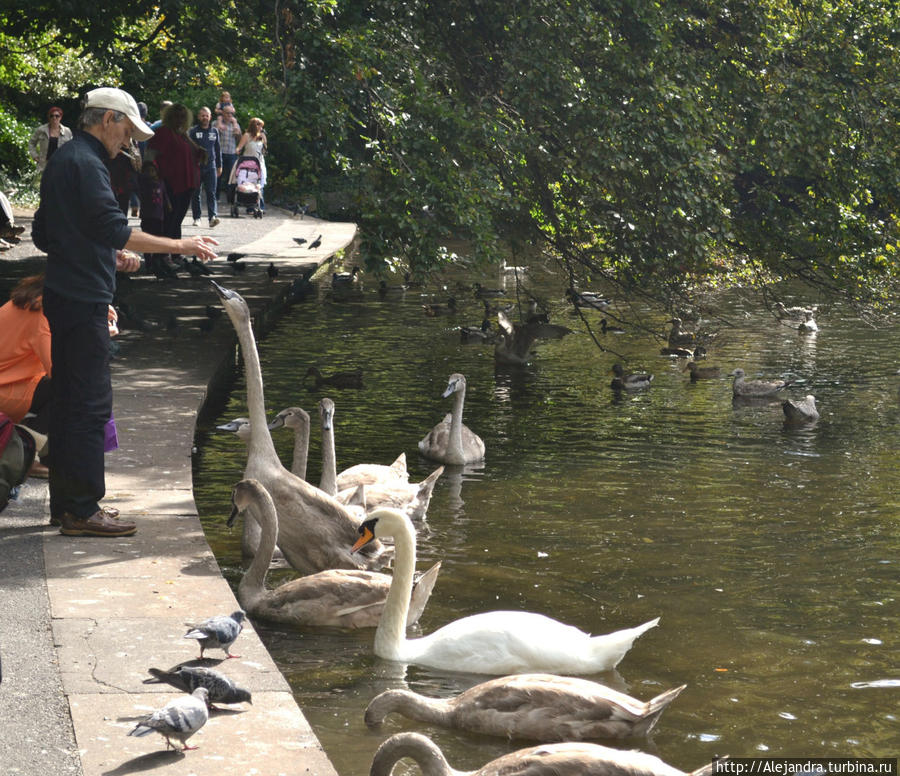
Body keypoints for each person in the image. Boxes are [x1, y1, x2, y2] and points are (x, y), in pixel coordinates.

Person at [31, 86, 218, 537]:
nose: (129, 141)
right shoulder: (88, 163)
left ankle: (68, 506)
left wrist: (100, 254)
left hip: (67, 292)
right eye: (127, 130)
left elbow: (45, 232)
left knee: (70, 401)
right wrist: (181, 244)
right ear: (108, 120)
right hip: (81, 300)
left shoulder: (66, 160)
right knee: (90, 405)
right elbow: (113, 227)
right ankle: (82, 510)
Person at [0, 275, 52, 443]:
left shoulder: (31, 299)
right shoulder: (42, 312)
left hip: (11, 381)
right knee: (75, 390)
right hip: (5, 388)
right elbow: (59, 370)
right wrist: (95, 336)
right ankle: (25, 450)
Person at [145, 103, 199, 263]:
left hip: (186, 184)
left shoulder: (183, 135)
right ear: (169, 116)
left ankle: (175, 252)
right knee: (169, 220)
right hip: (169, 184)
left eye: (183, 116)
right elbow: (150, 156)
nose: (179, 119)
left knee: (176, 220)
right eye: (176, 116)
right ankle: (163, 254)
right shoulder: (162, 133)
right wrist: (152, 177)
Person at [137, 160, 172, 277]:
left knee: (158, 239)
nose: (150, 173)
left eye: (152, 170)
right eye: (147, 171)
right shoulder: (144, 183)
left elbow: (165, 195)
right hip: (147, 216)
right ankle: (148, 263)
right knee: (146, 240)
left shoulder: (161, 182)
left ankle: (157, 262)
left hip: (158, 217)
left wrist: (168, 205)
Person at [188, 107, 221, 227]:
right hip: (196, 166)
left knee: (211, 192)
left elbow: (218, 149)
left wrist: (219, 165)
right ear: (198, 117)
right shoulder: (193, 131)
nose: (205, 118)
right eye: (202, 115)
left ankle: (212, 217)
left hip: (211, 166)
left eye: (207, 115)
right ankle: (197, 218)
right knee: (196, 193)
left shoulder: (214, 131)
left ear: (210, 117)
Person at [28, 107, 73, 175]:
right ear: (49, 117)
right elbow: (31, 142)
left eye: (57, 116)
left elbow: (71, 148)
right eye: (52, 115)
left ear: (60, 117)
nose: (54, 118)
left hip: (61, 165)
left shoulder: (67, 131)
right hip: (44, 165)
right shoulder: (41, 130)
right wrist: (35, 156)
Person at [235, 117, 267, 211]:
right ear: (255, 126)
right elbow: (239, 147)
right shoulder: (247, 135)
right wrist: (237, 151)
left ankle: (260, 206)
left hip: (259, 162)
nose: (261, 128)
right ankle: (249, 206)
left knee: (259, 183)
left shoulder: (262, 136)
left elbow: (264, 150)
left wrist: (264, 140)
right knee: (248, 183)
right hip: (247, 162)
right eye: (260, 126)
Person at [214, 105, 241, 202]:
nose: (229, 115)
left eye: (231, 113)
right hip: (219, 153)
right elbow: (212, 136)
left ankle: (230, 198)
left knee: (231, 177)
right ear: (223, 113)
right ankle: (215, 197)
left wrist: (238, 133)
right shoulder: (216, 123)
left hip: (231, 153)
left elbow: (239, 139)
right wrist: (219, 127)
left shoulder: (236, 125)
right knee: (218, 176)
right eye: (227, 113)